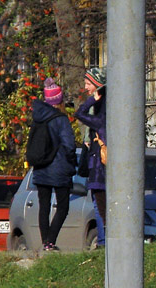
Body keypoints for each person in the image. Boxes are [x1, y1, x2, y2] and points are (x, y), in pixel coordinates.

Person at [30, 78, 76, 252]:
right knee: (63, 207)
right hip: (59, 169)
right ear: (59, 99)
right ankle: (51, 241)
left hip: (41, 167)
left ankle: (45, 243)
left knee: (44, 206)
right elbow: (69, 145)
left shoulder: (38, 118)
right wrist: (71, 161)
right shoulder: (61, 119)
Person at [74, 65, 107, 246]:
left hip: (99, 171)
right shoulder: (110, 117)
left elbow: (79, 113)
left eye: (88, 84)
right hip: (103, 170)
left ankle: (102, 242)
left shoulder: (100, 120)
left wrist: (92, 100)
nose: (86, 88)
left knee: (100, 209)